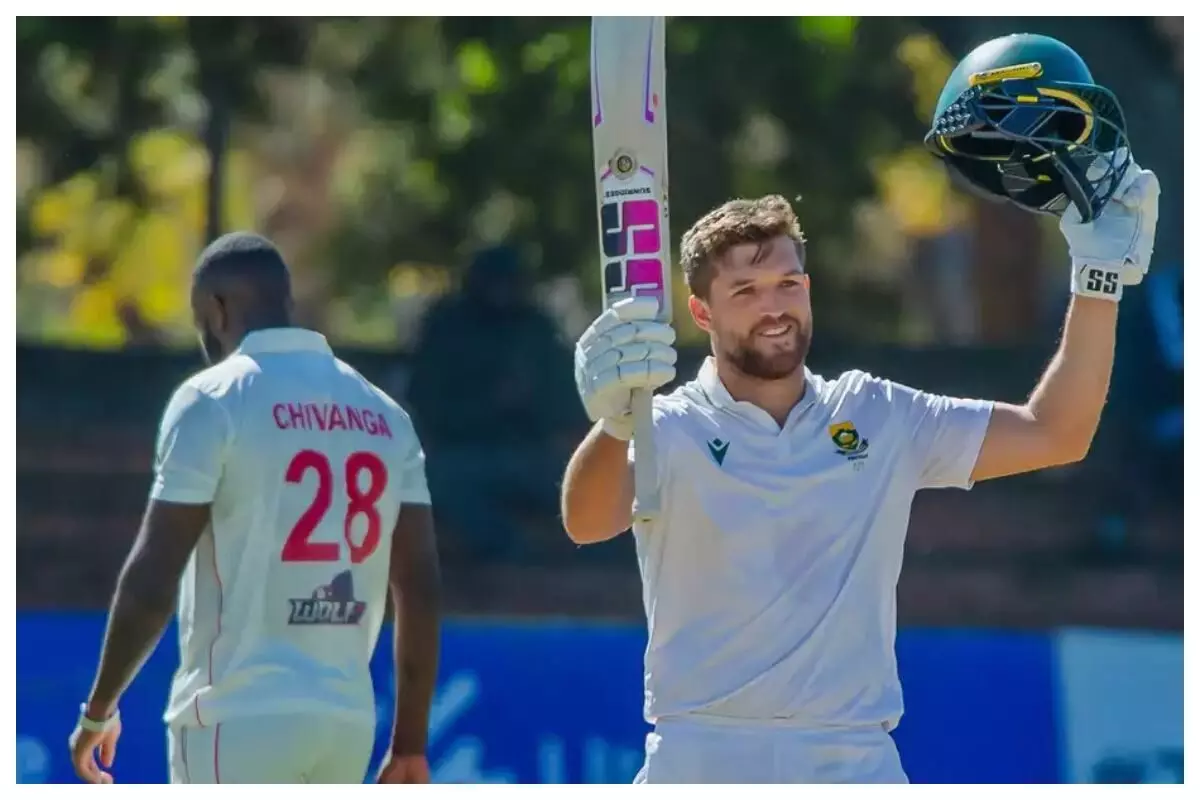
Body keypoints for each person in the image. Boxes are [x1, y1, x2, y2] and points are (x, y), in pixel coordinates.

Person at [562, 157, 1158, 781]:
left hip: (853, 761)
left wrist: (1097, 280)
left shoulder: (876, 411)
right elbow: (586, 521)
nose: (774, 308)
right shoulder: (670, 424)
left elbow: (1057, 432)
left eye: (787, 284)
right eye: (745, 292)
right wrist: (615, 425)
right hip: (702, 756)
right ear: (703, 312)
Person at [68, 233, 442, 784]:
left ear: (217, 309)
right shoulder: (385, 415)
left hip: (234, 715)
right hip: (345, 725)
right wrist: (408, 744)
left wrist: (99, 710)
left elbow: (154, 574)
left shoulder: (212, 399)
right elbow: (420, 583)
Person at [408, 245, 585, 560]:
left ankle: (596, 568)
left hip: (530, 453)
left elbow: (564, 403)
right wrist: (489, 403)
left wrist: (529, 403)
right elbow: (427, 402)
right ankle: (512, 556)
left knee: (586, 482)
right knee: (441, 480)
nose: (502, 293)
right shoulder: (450, 327)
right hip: (465, 452)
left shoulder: (535, 328)